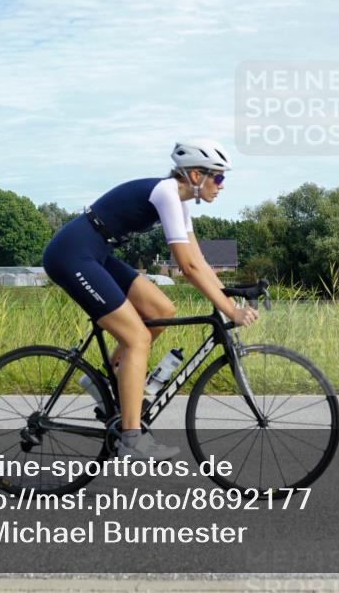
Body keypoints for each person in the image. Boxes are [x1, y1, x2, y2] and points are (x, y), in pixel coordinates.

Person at [41, 139, 258, 460]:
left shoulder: (179, 204)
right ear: (196, 176)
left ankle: (106, 378)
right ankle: (132, 437)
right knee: (138, 338)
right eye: (219, 177)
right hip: (71, 254)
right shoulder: (167, 193)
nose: (221, 185)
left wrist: (230, 295)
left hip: (96, 253)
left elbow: (198, 260)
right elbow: (187, 266)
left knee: (161, 309)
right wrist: (230, 312)